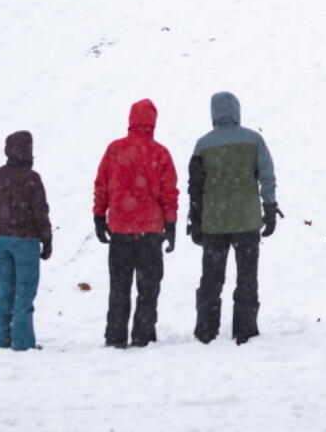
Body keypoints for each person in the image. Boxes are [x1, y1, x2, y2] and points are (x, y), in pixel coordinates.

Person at [188, 91, 280, 346]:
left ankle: (206, 330)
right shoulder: (254, 140)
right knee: (247, 278)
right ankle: (245, 330)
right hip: (247, 221)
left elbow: (195, 187)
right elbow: (267, 175)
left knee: (211, 279)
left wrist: (195, 221)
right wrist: (269, 207)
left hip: (214, 223)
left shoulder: (203, 145)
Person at [93, 99, 179, 348]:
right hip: (150, 231)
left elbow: (102, 185)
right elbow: (169, 193)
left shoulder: (115, 150)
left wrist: (100, 216)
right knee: (148, 288)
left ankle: (115, 336)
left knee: (119, 287)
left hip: (120, 230)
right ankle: (143, 334)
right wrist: (170, 224)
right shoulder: (160, 153)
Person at [0, 130, 52, 351]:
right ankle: (22, 342)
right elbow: (40, 212)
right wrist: (46, 238)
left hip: (1, 241)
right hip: (25, 242)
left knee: (4, 291)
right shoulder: (31, 179)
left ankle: (0, 339)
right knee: (24, 292)